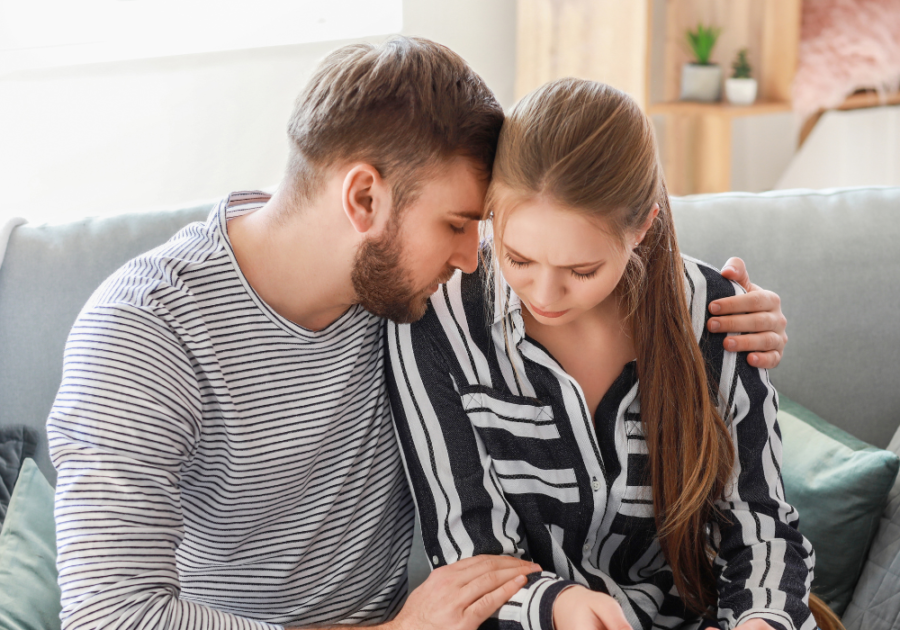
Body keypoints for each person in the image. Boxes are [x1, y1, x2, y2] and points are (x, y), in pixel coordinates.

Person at [47, 38, 788, 630]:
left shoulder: (408, 298)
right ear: (364, 197)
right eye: (460, 227)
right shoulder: (144, 333)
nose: (479, 263)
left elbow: (589, 235)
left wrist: (725, 313)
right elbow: (112, 614)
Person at [386, 78, 821, 630]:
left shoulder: (718, 317)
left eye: (581, 271)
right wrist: (557, 605)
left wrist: (758, 623)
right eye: (519, 259)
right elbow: (468, 549)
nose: (543, 295)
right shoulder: (439, 320)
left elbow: (761, 530)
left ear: (642, 228)